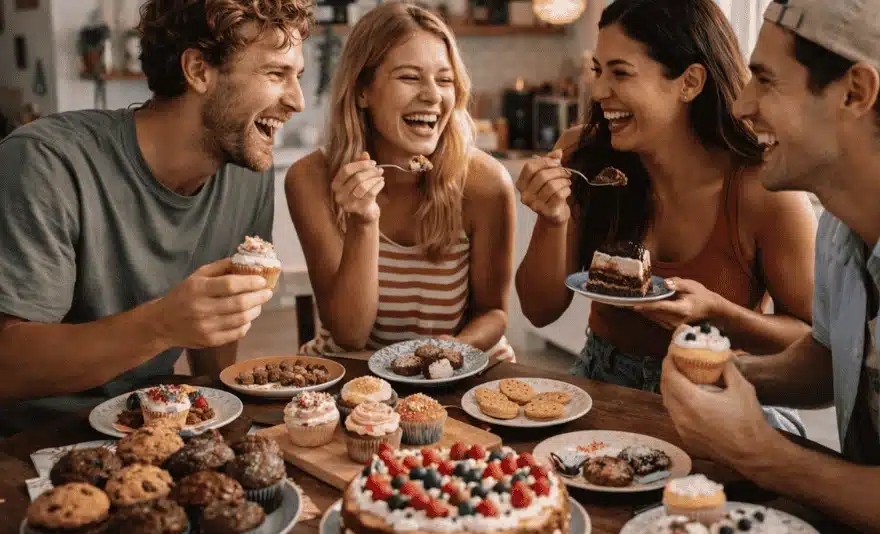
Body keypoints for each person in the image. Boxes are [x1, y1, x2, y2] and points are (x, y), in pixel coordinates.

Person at [661, 0, 880, 534]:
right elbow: (832, 359)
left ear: (855, 93)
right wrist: (727, 381)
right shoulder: (843, 220)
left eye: (766, 80)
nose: (741, 105)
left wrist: (761, 453)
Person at [0, 0, 312, 434]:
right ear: (198, 70)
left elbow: (216, 328)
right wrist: (162, 324)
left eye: (298, 76)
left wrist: (222, 421)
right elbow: (8, 366)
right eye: (276, 74)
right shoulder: (46, 163)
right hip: (32, 441)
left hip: (156, 426)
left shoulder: (246, 170)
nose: (298, 100)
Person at [514, 0, 815, 431]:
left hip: (720, 387)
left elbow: (812, 341)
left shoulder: (764, 190)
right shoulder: (585, 157)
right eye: (598, 70)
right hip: (603, 381)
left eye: (620, 73)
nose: (598, 91)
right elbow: (539, 310)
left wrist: (719, 315)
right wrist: (552, 219)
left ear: (689, 82)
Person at [288, 3, 516, 362]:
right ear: (362, 90)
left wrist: (450, 353)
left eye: (445, 80)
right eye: (410, 77)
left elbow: (494, 313)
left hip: (462, 364)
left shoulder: (485, 183)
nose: (433, 95)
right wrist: (363, 222)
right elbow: (350, 334)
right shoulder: (311, 179)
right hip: (354, 369)